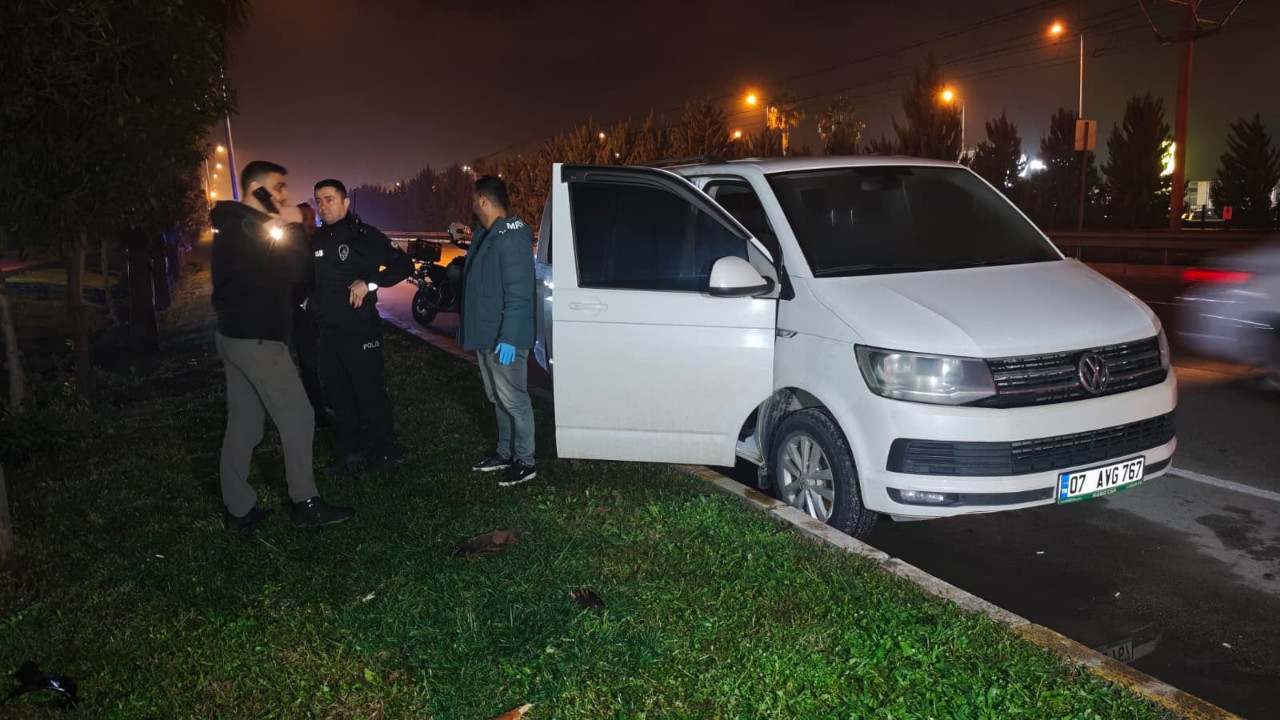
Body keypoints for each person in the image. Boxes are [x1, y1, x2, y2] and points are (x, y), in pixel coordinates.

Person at [211, 160, 356, 532]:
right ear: (257, 188)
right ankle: (306, 502)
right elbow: (294, 271)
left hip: (234, 336)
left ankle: (238, 509)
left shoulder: (235, 227)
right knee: (299, 416)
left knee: (244, 425)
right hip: (257, 340)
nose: (284, 195)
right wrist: (292, 224)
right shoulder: (246, 230)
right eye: (277, 188)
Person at [309, 179, 413, 477]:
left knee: (370, 394)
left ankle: (386, 451)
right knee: (339, 395)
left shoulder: (364, 236)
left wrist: (369, 283)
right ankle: (349, 451)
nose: (323, 206)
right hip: (328, 333)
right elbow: (315, 281)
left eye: (329, 199)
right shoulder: (318, 239)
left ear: (345, 202)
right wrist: (309, 302)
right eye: (319, 200)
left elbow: (405, 265)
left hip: (361, 331)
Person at [460, 176, 537, 487]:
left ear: (482, 201)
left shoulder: (511, 238)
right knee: (498, 399)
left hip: (504, 337)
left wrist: (509, 337)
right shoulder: (489, 234)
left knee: (515, 400)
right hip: (487, 335)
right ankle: (505, 452)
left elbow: (519, 294)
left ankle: (526, 460)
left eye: (472, 200)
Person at [289, 202, 329, 426]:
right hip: (301, 313)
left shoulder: (323, 237)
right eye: (303, 217)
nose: (307, 221)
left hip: (321, 309)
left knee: (324, 361)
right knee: (309, 363)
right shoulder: (290, 241)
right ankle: (317, 410)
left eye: (309, 217)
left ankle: (326, 405)